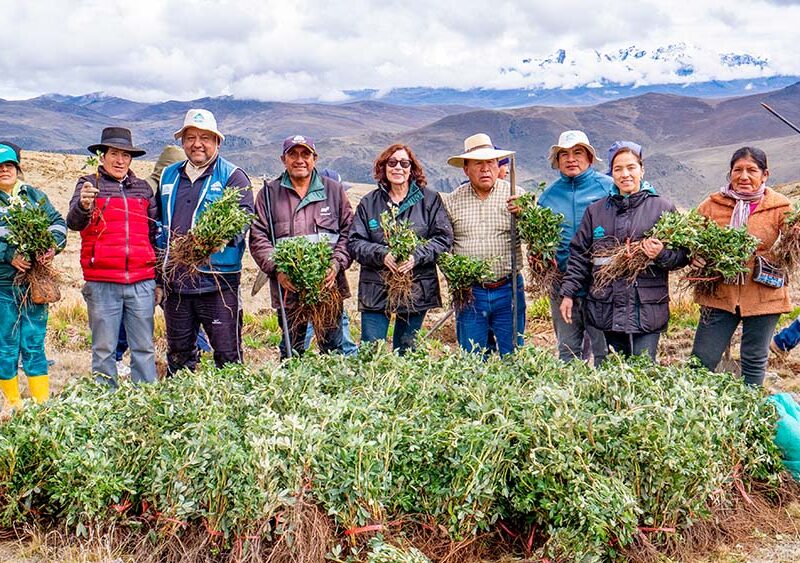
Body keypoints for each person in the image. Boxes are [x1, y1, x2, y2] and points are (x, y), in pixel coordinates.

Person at [559, 142, 688, 361]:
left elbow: (683, 256)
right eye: (618, 169)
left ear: (642, 170)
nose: (625, 174)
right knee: (611, 370)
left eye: (631, 167)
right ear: (612, 173)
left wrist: (661, 254)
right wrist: (568, 293)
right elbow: (579, 255)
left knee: (644, 370)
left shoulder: (662, 209)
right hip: (606, 306)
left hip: (646, 308)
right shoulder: (596, 211)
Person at [156, 109, 254, 375]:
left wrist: (216, 239)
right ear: (182, 142)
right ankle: (183, 407)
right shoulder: (169, 176)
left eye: (205, 138)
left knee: (227, 355)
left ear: (217, 142)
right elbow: (157, 227)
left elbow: (243, 220)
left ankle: (232, 408)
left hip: (217, 284)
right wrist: (158, 278)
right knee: (179, 354)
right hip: (176, 284)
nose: (197, 143)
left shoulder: (233, 177)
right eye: (190, 137)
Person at [691, 147, 792, 385]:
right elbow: (689, 240)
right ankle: (696, 410)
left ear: (764, 175)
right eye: (738, 170)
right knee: (701, 359)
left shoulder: (781, 207)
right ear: (730, 173)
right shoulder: (712, 205)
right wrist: (695, 256)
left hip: (765, 295)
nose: (744, 176)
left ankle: (749, 415)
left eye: (752, 170)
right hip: (719, 294)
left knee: (754, 358)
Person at [67, 127, 158, 388]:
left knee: (144, 347)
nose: (120, 161)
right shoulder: (89, 185)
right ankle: (105, 403)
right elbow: (74, 223)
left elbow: (153, 234)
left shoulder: (142, 189)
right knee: (104, 349)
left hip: (142, 281)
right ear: (102, 156)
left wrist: (158, 280)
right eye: (114, 154)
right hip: (102, 281)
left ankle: (145, 401)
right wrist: (83, 206)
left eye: (126, 156)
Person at [249, 135, 354, 359]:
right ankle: (292, 392)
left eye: (305, 154)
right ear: (283, 159)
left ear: (314, 158)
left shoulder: (334, 191)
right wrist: (278, 270)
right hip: (289, 291)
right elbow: (259, 237)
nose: (299, 160)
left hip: (327, 288)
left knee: (334, 350)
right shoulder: (268, 194)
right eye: (293, 154)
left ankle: (334, 391)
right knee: (291, 351)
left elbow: (349, 233)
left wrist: (335, 265)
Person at [113, 145, 211, 375]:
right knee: (151, 311)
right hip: (151, 265)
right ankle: (200, 351)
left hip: (163, 265)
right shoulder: (148, 191)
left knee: (165, 312)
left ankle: (199, 352)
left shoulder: (153, 188)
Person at [348, 143, 453, 354]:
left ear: (411, 168)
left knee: (407, 348)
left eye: (404, 163)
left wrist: (416, 257)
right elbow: (354, 242)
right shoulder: (369, 203)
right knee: (371, 350)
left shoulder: (430, 200)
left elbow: (443, 238)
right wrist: (382, 255)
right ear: (383, 168)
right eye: (392, 162)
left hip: (416, 287)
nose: (398, 168)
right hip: (376, 287)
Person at [441, 133, 524, 355]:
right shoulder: (452, 201)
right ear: (466, 169)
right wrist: (456, 279)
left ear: (498, 166)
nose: (485, 169)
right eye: (478, 163)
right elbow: (443, 246)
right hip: (470, 293)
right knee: (472, 357)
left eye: (490, 162)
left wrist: (525, 215)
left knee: (514, 355)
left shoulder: (516, 196)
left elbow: (534, 238)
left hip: (509, 289)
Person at [0, 141, 66, 407]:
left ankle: (42, 403)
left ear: (17, 168)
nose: (4, 170)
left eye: (8, 165)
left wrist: (52, 247)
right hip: (4, 285)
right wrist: (7, 255)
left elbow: (58, 223)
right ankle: (12, 403)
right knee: (6, 345)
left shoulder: (34, 196)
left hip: (33, 286)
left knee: (34, 343)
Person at [538, 130, 613, 366]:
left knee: (604, 351)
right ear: (557, 161)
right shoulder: (548, 196)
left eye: (577, 153)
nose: (571, 159)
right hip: (562, 284)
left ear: (590, 158)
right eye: (564, 154)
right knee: (567, 351)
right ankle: (571, 399)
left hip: (600, 284)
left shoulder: (608, 188)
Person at [303, 167, 358, 355]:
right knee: (307, 324)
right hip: (305, 287)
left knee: (337, 321)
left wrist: (336, 263)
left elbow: (348, 238)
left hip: (333, 285)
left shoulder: (338, 209)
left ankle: (349, 355)